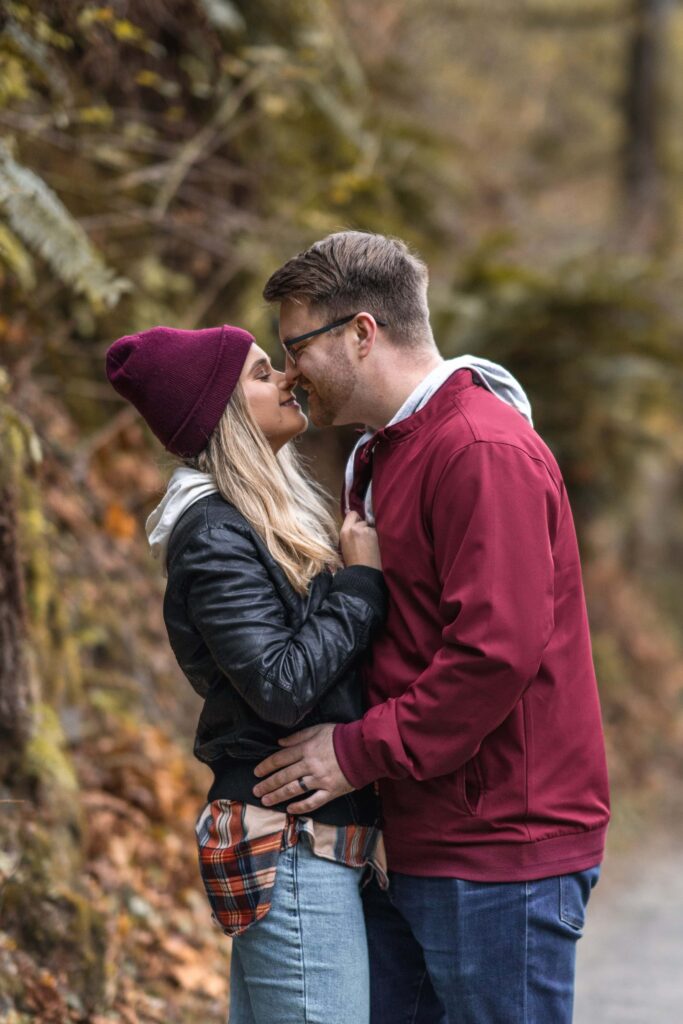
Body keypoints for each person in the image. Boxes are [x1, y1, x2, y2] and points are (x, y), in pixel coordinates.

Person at [253, 231, 611, 1023]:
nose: (289, 374)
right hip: (417, 832)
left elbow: (494, 654)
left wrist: (354, 753)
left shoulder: (479, 449)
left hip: (499, 852)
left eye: (295, 345)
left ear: (360, 332)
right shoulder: (387, 452)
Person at [105, 323, 390, 1024]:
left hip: (307, 835)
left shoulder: (255, 522)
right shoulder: (213, 534)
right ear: (223, 414)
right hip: (286, 842)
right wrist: (359, 587)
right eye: (263, 374)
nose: (287, 378)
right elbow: (280, 684)